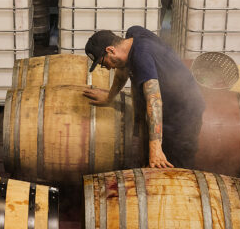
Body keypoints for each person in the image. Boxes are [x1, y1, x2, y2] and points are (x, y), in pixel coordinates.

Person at [82, 27, 205, 169]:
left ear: (110, 50)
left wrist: (155, 148)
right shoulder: (133, 35)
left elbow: (154, 101)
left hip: (183, 114)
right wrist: (109, 98)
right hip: (168, 110)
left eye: (104, 63)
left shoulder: (141, 56)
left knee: (173, 169)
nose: (107, 68)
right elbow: (123, 70)